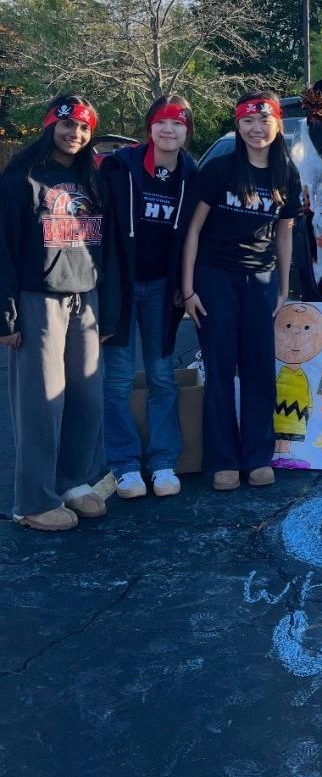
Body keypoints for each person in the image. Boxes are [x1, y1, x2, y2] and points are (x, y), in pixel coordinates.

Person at [0, 96, 119, 530]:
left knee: (86, 398)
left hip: (86, 298)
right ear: (51, 125)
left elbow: (108, 248)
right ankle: (33, 500)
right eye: (68, 125)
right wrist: (7, 314)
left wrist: (108, 312)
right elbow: (2, 247)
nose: (76, 134)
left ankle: (73, 483)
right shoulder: (22, 178)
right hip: (39, 299)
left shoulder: (93, 179)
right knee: (40, 403)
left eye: (85, 128)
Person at [180, 92, 301, 490]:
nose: (256, 129)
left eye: (264, 121)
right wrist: (188, 289)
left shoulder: (286, 173)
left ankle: (257, 456)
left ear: (277, 125)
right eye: (248, 121)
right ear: (238, 125)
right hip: (214, 277)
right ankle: (222, 460)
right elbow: (193, 230)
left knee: (259, 369)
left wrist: (283, 287)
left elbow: (285, 233)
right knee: (219, 368)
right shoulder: (219, 169)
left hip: (261, 280)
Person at [101, 95, 199, 500]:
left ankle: (163, 462)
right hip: (120, 287)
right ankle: (124, 466)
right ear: (149, 128)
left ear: (187, 131)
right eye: (161, 121)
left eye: (178, 123)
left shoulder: (192, 175)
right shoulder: (119, 167)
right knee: (117, 379)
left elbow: (197, 235)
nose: (168, 129)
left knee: (162, 377)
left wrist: (186, 284)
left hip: (162, 288)